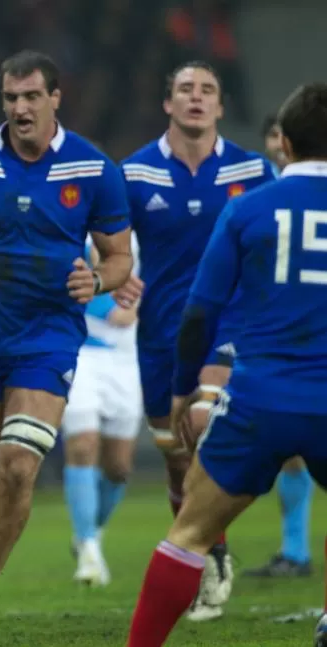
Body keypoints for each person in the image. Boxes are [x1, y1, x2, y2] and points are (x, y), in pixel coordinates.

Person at [0, 50, 134, 636]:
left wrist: (97, 279)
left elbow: (119, 258)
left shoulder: (93, 168)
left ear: (55, 99)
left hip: (49, 338)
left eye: (31, 97)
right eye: (10, 98)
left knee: (19, 467)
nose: (20, 108)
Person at [125, 81, 327, 647]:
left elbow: (199, 315)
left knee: (189, 531)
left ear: (282, 142)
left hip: (261, 397)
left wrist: (184, 389)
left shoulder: (248, 209)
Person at [117, 60, 277, 621]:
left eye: (207, 90)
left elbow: (277, 239)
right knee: (176, 459)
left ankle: (211, 553)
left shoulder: (254, 170)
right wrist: (110, 270)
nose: (195, 98)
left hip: (228, 328)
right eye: (185, 88)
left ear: (219, 106)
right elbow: (106, 241)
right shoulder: (135, 174)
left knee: (203, 426)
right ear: (168, 103)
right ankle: (212, 551)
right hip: (161, 334)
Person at [241, 113, 314, 580]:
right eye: (268, 134)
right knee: (293, 447)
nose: (275, 144)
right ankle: (296, 549)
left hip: (306, 335)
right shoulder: (255, 192)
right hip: (280, 333)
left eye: (280, 134)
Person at [61, 233, 142, 587]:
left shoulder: (142, 237)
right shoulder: (72, 230)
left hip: (125, 360)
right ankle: (90, 550)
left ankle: (89, 532)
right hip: (80, 352)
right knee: (82, 444)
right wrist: (109, 305)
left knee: (119, 467)